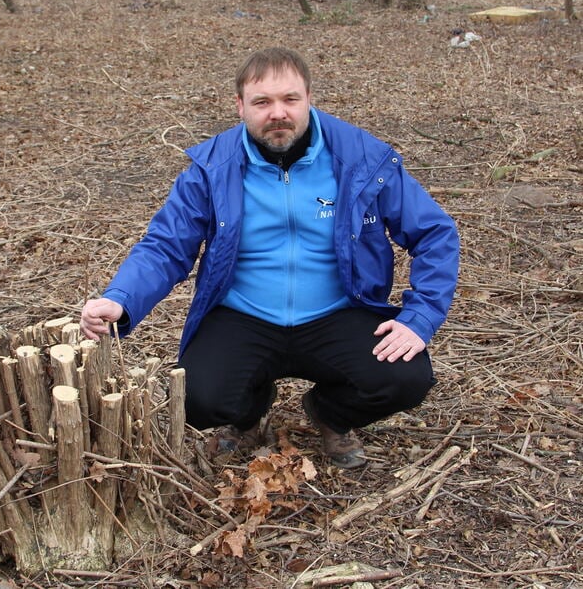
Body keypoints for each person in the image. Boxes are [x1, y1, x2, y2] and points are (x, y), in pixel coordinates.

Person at [80, 47, 459, 469]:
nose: (277, 113)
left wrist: (419, 318)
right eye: (262, 102)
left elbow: (435, 233)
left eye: (289, 99)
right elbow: (166, 245)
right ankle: (249, 414)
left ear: (309, 98)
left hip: (339, 311)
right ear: (240, 106)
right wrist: (121, 298)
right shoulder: (212, 168)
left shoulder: (363, 160)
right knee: (198, 398)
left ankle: (331, 413)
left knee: (406, 376)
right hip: (244, 314)